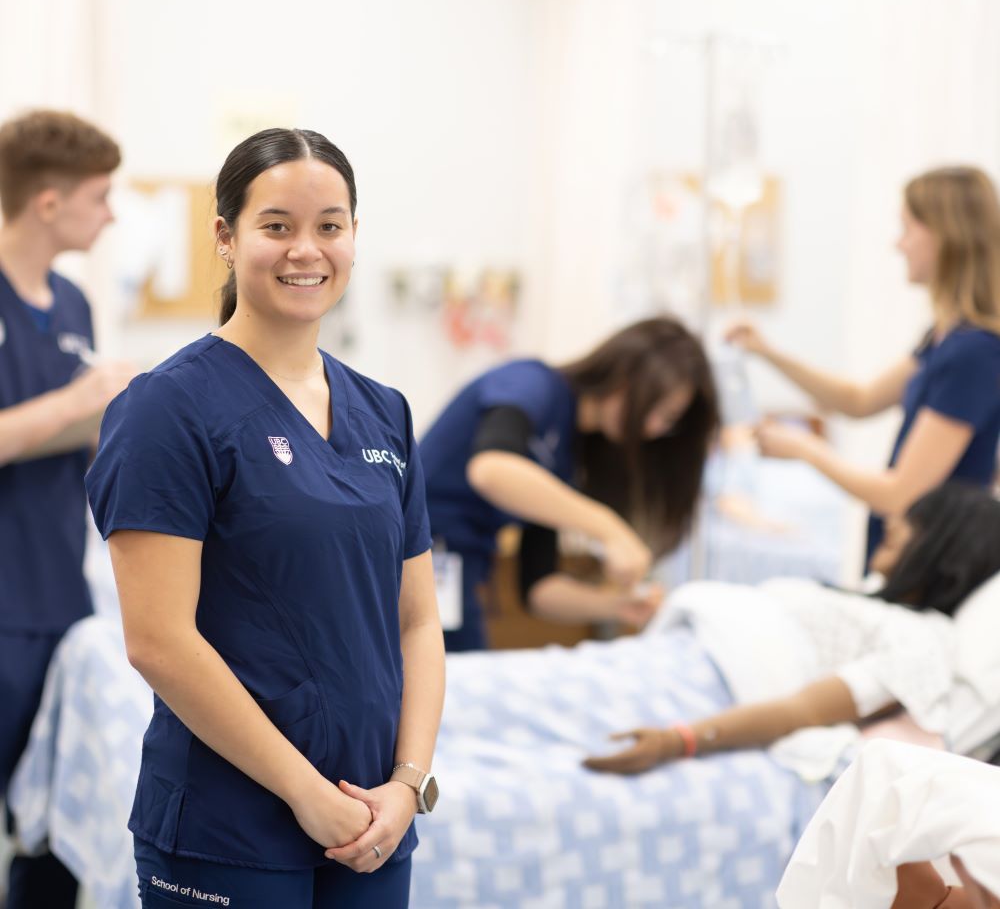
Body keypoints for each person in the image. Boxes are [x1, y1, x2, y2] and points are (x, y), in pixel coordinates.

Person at [86, 128, 445, 909]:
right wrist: (306, 794)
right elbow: (158, 641)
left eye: (330, 226)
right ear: (226, 236)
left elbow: (416, 621)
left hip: (373, 826)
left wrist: (406, 785)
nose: (305, 251)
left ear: (353, 236)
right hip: (232, 829)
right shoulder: (168, 409)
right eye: (276, 226)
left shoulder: (385, 413)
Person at [584, 482, 1000, 775]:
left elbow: (805, 710)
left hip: (699, 690)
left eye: (915, 520)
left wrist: (677, 742)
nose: (891, 522)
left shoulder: (921, 640)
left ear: (948, 549)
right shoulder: (867, 595)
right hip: (666, 657)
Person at [726, 166, 1000, 565]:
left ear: (946, 235)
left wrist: (807, 449)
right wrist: (767, 352)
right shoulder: (945, 340)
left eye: (908, 229)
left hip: (935, 563)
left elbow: (902, 493)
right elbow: (859, 400)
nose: (899, 244)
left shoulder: (974, 354)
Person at [0, 109, 132, 909]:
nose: (112, 213)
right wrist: (81, 399)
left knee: (51, 829)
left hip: (61, 602)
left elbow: (73, 434)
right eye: (100, 195)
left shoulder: (75, 304)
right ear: (49, 202)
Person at [420, 316, 720, 651]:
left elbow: (539, 591)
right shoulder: (532, 383)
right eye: (657, 410)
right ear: (626, 374)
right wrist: (609, 528)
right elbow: (491, 469)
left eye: (667, 422)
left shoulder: (565, 459)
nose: (651, 428)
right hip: (405, 560)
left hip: (456, 574)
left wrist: (616, 605)